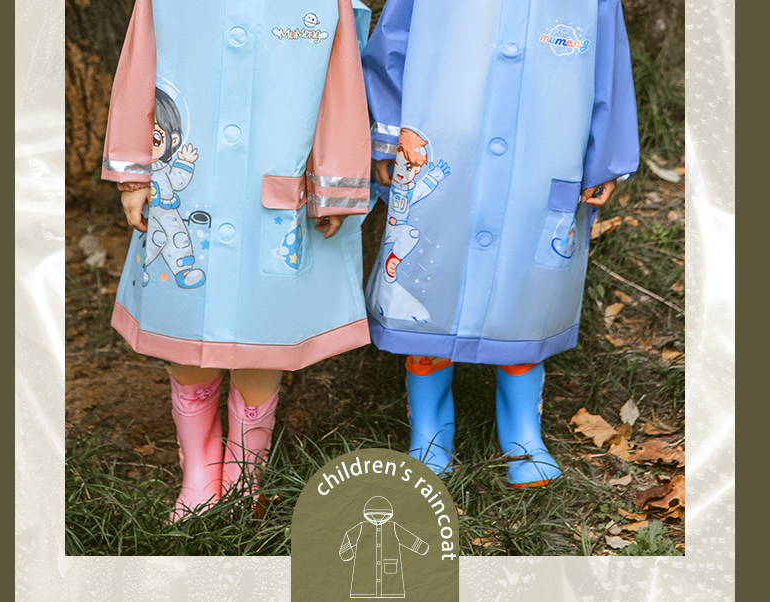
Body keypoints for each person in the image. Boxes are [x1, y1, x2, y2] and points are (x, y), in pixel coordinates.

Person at [102, 0, 372, 520]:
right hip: (188, 192)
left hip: (272, 200)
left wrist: (335, 184)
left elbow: (341, 83)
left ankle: (247, 475)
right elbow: (139, 64)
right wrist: (134, 173)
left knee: (262, 333)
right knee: (184, 324)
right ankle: (199, 473)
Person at [362, 0, 639, 485]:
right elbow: (394, 40)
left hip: (543, 155)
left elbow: (608, 65)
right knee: (427, 289)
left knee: (526, 293)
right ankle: (429, 431)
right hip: (444, 149)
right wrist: (385, 133)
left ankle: (522, 433)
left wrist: (606, 158)